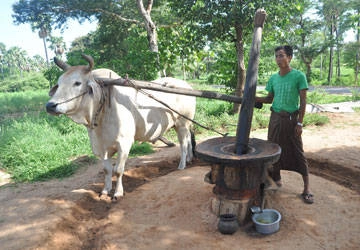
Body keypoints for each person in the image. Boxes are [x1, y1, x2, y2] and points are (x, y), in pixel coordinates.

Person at [256, 45, 314, 204]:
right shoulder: (273, 78)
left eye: (281, 55)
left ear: (289, 57)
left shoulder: (299, 76)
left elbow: (303, 102)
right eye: (276, 56)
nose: (278, 59)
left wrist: (300, 123)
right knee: (273, 149)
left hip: (291, 120)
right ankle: (277, 179)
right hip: (275, 118)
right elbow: (269, 99)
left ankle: (307, 188)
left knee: (297, 151)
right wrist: (253, 97)